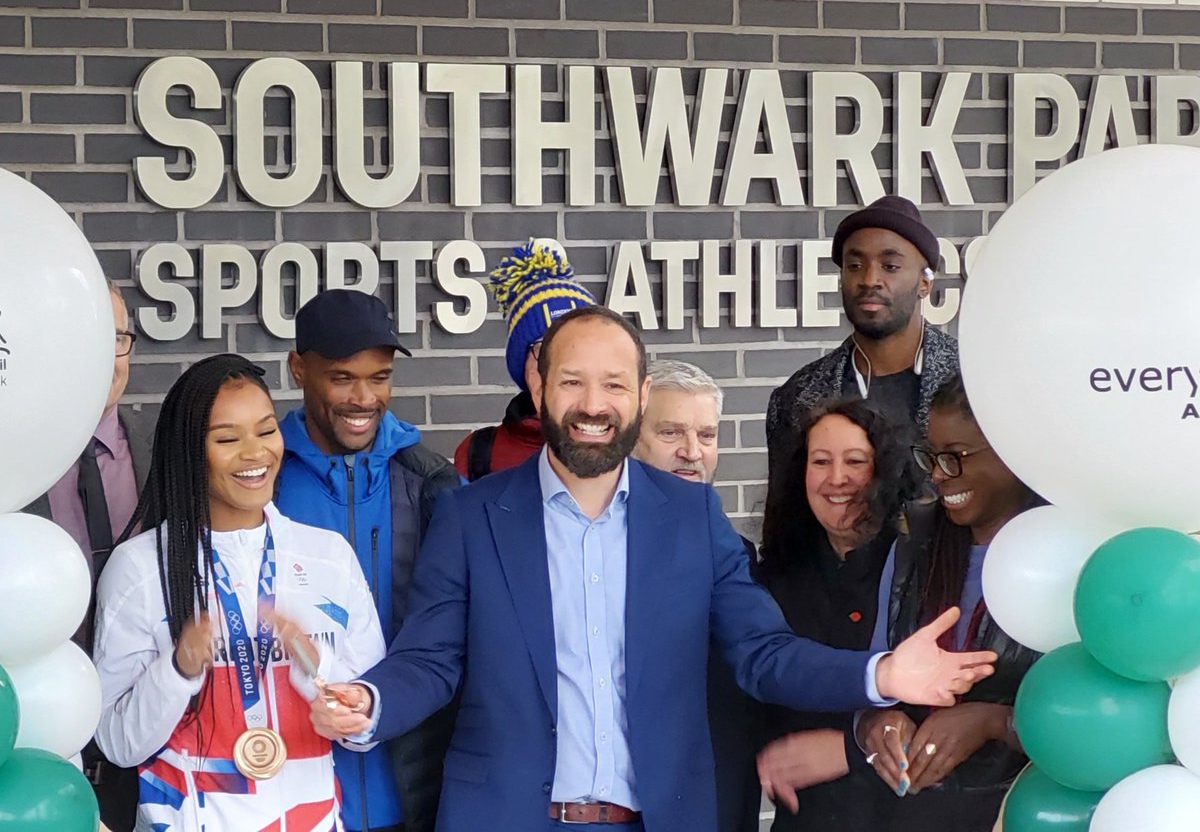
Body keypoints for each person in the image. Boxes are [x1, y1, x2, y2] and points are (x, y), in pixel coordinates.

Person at [309, 305, 997, 832]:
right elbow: (429, 660)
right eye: (572, 381)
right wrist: (370, 702)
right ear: (540, 387)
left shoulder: (692, 517)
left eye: (613, 384)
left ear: (639, 395)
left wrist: (882, 674)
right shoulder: (472, 514)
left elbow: (763, 653)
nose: (593, 404)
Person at [93, 354, 385, 832]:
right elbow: (117, 744)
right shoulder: (140, 568)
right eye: (228, 439)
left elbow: (365, 731)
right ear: (189, 451)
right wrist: (178, 670)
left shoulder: (328, 556)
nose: (255, 453)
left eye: (266, 430)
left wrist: (318, 672)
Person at [277, 288, 462, 832]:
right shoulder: (263, 481)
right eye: (342, 378)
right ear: (298, 369)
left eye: (379, 378)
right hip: (289, 788)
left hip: (408, 791)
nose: (364, 398)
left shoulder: (430, 483)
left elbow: (449, 641)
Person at [856, 374, 1041, 831]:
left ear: (1012, 453)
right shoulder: (912, 546)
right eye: (933, 456)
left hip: (1024, 810)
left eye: (955, 456)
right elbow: (874, 679)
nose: (938, 474)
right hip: (916, 815)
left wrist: (995, 723)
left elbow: (1091, 727)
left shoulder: (1063, 558)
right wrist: (878, 726)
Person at [23, 279, 153, 832]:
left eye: (116, 338)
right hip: (41, 741)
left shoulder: (165, 450)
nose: (102, 356)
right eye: (83, 335)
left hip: (151, 740)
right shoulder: (14, 462)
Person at [756, 400, 922, 830]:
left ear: (885, 470)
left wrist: (851, 749)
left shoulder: (921, 565)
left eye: (855, 461)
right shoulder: (774, 576)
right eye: (821, 461)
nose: (836, 478)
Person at [631, 359, 758, 832]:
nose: (692, 452)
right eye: (671, 433)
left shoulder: (738, 555)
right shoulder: (588, 549)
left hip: (715, 797)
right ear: (630, 439)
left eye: (706, 435)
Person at [766, 195, 959, 467]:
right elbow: (785, 494)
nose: (869, 280)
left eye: (890, 267)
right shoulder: (798, 397)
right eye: (855, 266)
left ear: (925, 284)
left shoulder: (972, 378)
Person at [455, 239, 594, 480]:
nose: (567, 361)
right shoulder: (479, 454)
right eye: (545, 347)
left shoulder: (624, 442)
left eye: (583, 345)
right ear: (524, 367)